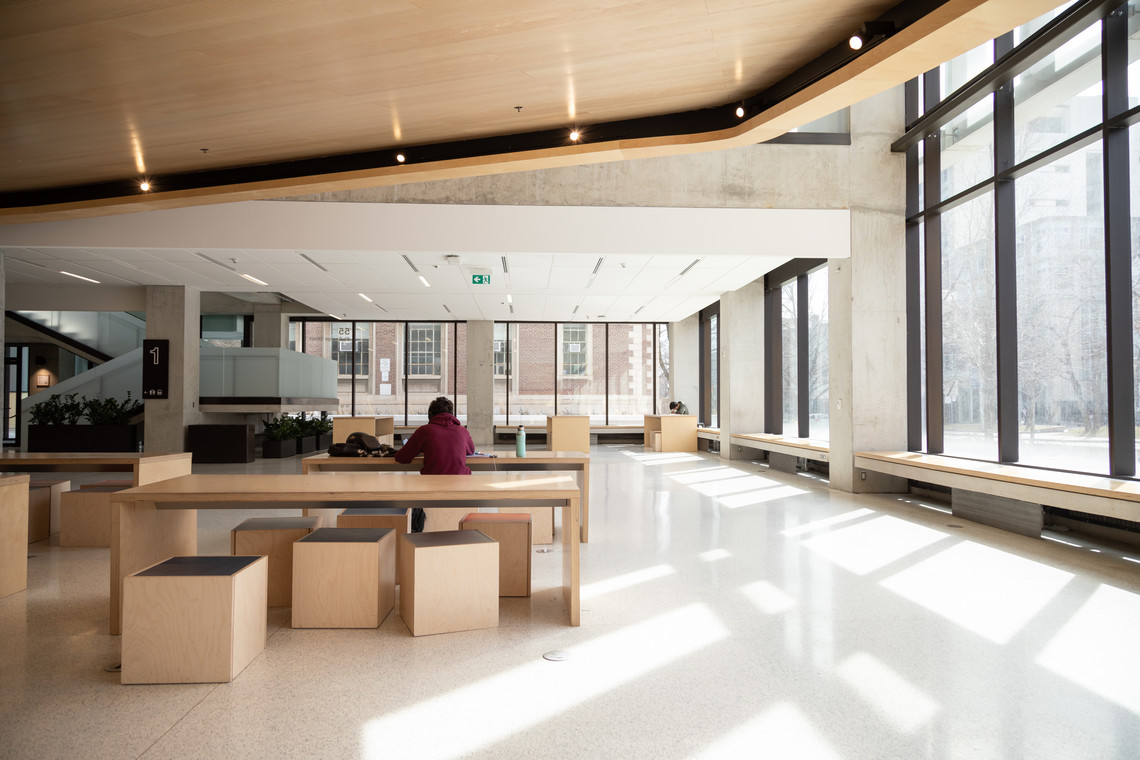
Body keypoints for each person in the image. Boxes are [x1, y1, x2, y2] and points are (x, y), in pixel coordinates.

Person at [394, 396, 475, 531]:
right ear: (452, 414)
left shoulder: (425, 430)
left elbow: (402, 458)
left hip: (431, 486)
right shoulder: (462, 430)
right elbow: (471, 450)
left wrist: (423, 449)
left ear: (430, 415)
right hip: (462, 485)